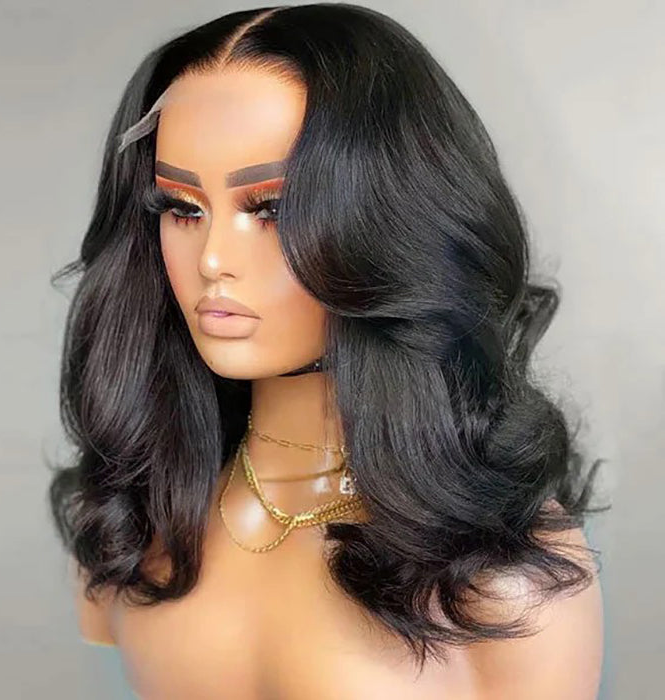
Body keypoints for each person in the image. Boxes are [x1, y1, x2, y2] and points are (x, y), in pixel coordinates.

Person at [48, 4, 607, 698]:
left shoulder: (499, 575)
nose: (213, 258)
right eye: (182, 209)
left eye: (271, 209)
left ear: (390, 223)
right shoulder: (129, 525)